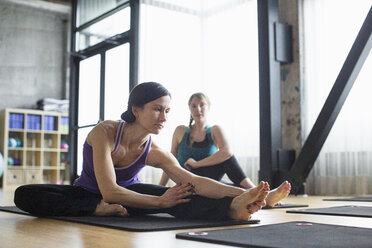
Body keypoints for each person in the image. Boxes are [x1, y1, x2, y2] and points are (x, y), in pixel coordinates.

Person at [14, 82, 271, 221]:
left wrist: (245, 192)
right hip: (89, 193)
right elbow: (109, 191)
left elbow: (194, 181)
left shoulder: (154, 150)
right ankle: (98, 209)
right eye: (157, 109)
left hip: (132, 196)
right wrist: (159, 202)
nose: (163, 117)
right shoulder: (104, 133)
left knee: (181, 196)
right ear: (136, 109)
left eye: (167, 111)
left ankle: (232, 209)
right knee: (25, 194)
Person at [159, 92, 291, 207]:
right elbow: (169, 161)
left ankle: (261, 194)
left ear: (209, 107)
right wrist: (160, 188)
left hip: (208, 180)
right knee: (229, 181)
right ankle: (261, 193)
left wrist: (196, 163)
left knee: (232, 185)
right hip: (187, 180)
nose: (198, 109)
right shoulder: (180, 131)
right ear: (189, 109)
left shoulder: (215, 130)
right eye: (194, 106)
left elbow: (227, 152)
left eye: (202, 105)